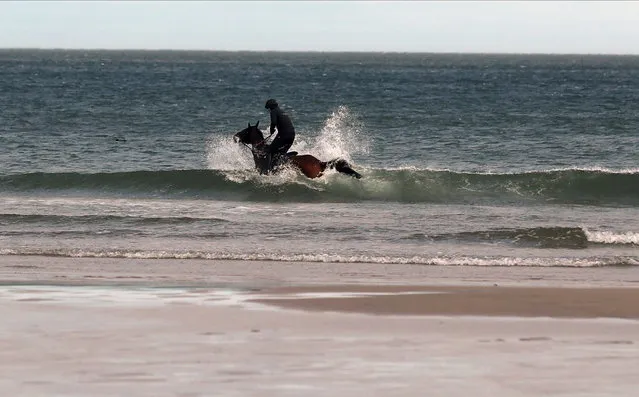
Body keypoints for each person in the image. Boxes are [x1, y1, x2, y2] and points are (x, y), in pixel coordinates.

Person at [264, 99, 296, 168]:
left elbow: (273, 122)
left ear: (271, 107)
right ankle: (281, 166)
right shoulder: (282, 111)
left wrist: (271, 129)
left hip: (284, 135)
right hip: (292, 135)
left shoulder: (274, 111)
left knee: (270, 150)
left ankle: (269, 170)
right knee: (281, 153)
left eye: (269, 108)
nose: (269, 110)